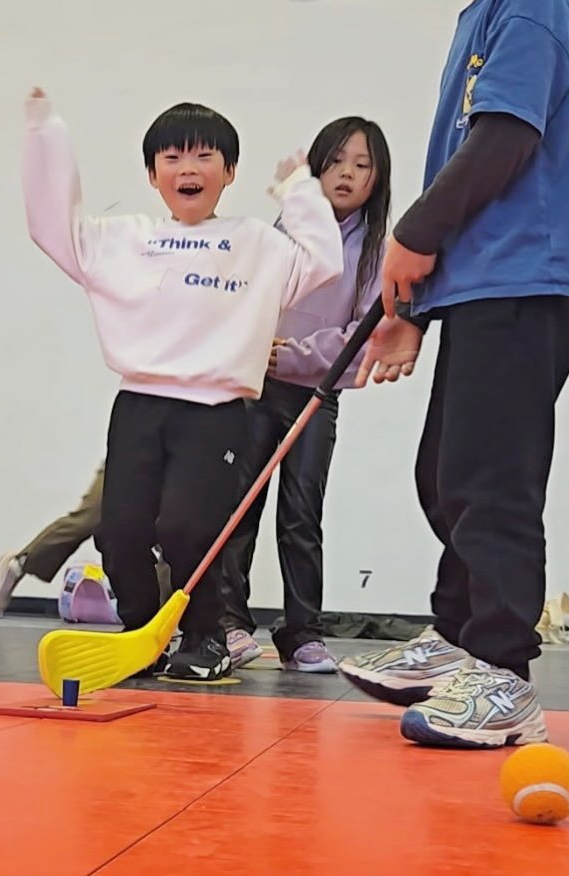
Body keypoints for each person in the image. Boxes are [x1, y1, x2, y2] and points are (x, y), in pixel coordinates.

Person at [338, 0, 569, 750]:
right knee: (444, 475)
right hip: (484, 289)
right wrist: (416, 302)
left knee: (489, 484)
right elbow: (473, 164)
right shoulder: (479, 15)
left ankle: (501, 676)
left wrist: (407, 236)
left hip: (529, 287)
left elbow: (502, 144)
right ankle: (456, 642)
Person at [23, 91, 344, 681]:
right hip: (139, 405)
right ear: (152, 174)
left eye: (203, 157)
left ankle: (206, 638)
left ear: (229, 172)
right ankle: (142, 633)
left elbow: (323, 262)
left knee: (187, 528)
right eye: (172, 158)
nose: (187, 169)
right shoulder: (125, 239)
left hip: (216, 410)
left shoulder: (257, 244)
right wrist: (48, 136)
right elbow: (52, 227)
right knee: (119, 530)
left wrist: (299, 190)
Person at [220, 116, 391, 673]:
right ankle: (230, 625)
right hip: (255, 388)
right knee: (238, 508)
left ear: (376, 179)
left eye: (362, 165)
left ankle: (302, 634)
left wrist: (293, 353)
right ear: (316, 168)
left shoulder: (378, 253)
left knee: (301, 514)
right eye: (337, 160)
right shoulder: (285, 229)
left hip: (316, 395)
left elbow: (361, 338)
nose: (347, 174)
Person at [0, 465, 171, 617]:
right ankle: (18, 564)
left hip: (185, 453)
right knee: (90, 518)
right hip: (136, 445)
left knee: (172, 535)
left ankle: (161, 618)